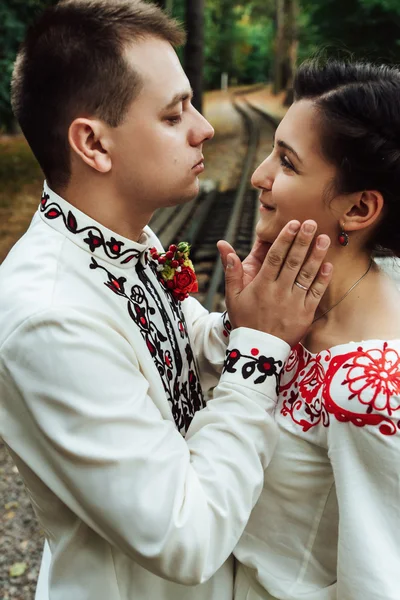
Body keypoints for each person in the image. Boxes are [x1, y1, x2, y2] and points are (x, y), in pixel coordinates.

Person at [0, 2, 332, 599]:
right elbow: (186, 536)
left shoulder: (124, 239)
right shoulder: (50, 317)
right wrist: (261, 349)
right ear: (94, 145)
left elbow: (172, 361)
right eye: (175, 114)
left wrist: (240, 320)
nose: (204, 127)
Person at [233, 59, 400, 600]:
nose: (258, 175)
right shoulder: (295, 311)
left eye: (286, 161)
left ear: (359, 208)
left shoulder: (372, 388)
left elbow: (380, 581)